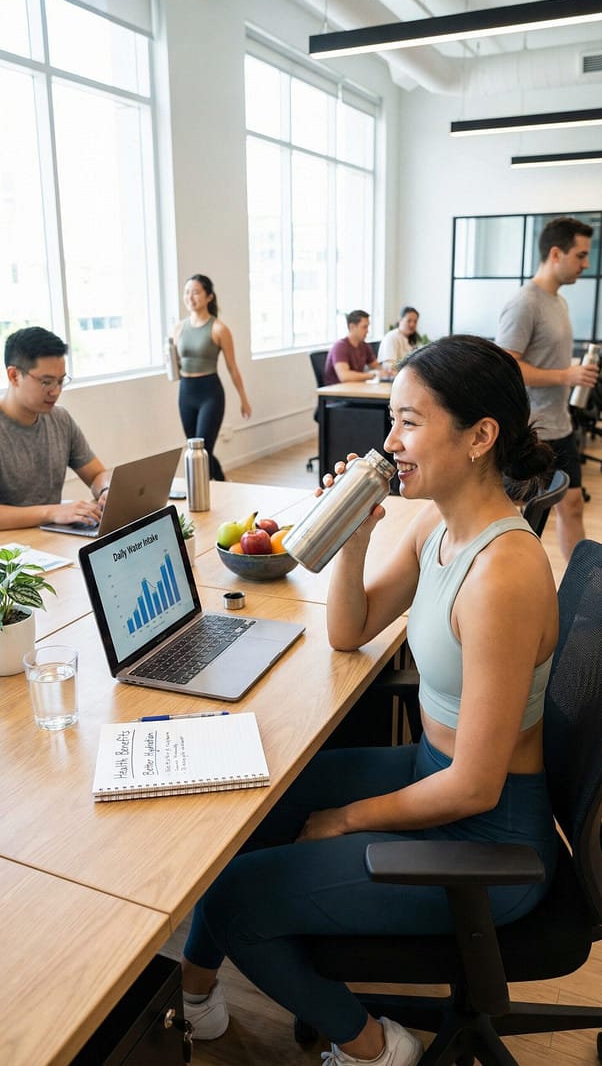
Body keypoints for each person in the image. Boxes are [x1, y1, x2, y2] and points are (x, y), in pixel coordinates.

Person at [179, 336, 559, 1066]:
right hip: (433, 774)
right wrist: (354, 537)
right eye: (392, 419)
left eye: (409, 422)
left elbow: (475, 786)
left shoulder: (503, 574)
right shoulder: (435, 526)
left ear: (480, 437)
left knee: (235, 901)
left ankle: (376, 1049)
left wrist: (344, 820)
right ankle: (196, 994)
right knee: (251, 809)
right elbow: (350, 630)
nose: (389, 442)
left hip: (487, 835)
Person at [496, 216, 598, 562]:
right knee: (508, 513)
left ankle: (581, 589)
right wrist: (565, 376)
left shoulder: (559, 302)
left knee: (571, 505)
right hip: (530, 427)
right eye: (580, 256)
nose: (585, 264)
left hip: (560, 424)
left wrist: (572, 374)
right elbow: (506, 367)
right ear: (556, 253)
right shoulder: (525, 302)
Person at [0, 327, 110, 531]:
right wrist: (53, 511)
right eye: (46, 382)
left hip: (51, 542)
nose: (56, 391)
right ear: (14, 376)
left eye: (61, 381)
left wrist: (106, 489)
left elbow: (96, 475)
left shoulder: (61, 419)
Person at [172, 274, 251, 480]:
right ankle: (221, 484)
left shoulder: (219, 328)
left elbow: (232, 367)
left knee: (203, 449)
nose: (191, 297)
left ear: (209, 297)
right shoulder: (179, 328)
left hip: (210, 393)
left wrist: (243, 400)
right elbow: (175, 362)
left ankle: (212, 490)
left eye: (196, 292)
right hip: (186, 392)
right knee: (195, 450)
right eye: (187, 292)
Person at [323, 309, 387, 385]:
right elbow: (344, 376)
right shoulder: (340, 346)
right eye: (364, 327)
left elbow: (376, 366)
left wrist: (387, 372)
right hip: (337, 392)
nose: (367, 331)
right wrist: (373, 375)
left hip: (355, 389)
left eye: (367, 327)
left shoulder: (364, 346)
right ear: (352, 327)